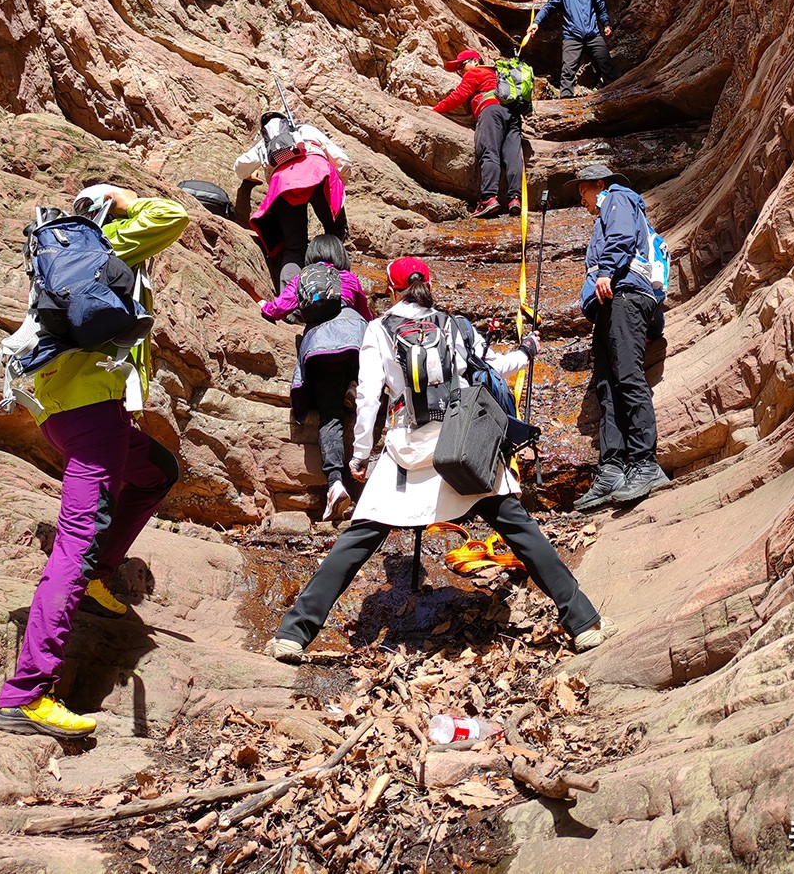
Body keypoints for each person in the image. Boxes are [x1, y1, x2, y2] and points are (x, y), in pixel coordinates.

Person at [265, 257, 615, 660]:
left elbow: (368, 398)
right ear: (427, 286)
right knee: (522, 532)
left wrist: (359, 456)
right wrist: (526, 350)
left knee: (356, 541)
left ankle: (293, 634)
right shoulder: (454, 325)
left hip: (405, 451)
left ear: (392, 291)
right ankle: (584, 623)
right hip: (460, 446)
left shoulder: (378, 329)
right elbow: (495, 368)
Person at [0, 184, 189, 739]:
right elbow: (171, 216)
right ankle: (27, 694)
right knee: (76, 544)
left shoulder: (55, 262)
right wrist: (120, 196)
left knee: (157, 473)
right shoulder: (107, 244)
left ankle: (101, 576)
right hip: (92, 412)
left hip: (63, 408)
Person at [572, 163, 671, 512]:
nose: (582, 201)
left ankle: (646, 463)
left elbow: (623, 236)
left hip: (626, 293)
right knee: (607, 387)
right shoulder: (605, 210)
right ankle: (612, 468)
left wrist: (606, 271)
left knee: (628, 377)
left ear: (599, 185)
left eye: (583, 192)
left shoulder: (618, 197)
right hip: (610, 304)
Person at [260, 234, 371, 520]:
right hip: (355, 340)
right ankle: (355, 385)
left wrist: (263, 306)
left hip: (321, 349)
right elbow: (367, 317)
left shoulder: (304, 278)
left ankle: (335, 483)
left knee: (330, 417)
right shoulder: (349, 279)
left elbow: (279, 308)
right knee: (359, 363)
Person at [235, 116, 351, 291]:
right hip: (318, 172)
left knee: (294, 247)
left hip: (284, 184)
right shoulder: (307, 130)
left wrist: (249, 176)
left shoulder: (266, 143)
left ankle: (290, 300)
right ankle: (337, 285)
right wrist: (340, 182)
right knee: (336, 230)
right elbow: (342, 160)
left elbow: (240, 168)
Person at [433, 50, 522, 219]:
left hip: (491, 111)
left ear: (475, 61)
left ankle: (488, 198)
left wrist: (436, 109)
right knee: (513, 156)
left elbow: (459, 95)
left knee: (489, 152)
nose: (460, 70)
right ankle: (515, 199)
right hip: (513, 115)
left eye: (462, 65)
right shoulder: (499, 73)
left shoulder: (476, 72)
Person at [530, 0, 615, 98]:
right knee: (567, 71)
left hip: (593, 35)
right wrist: (536, 23)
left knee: (606, 65)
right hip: (572, 37)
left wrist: (606, 24)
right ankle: (566, 100)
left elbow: (602, 10)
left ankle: (614, 95)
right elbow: (548, 8)